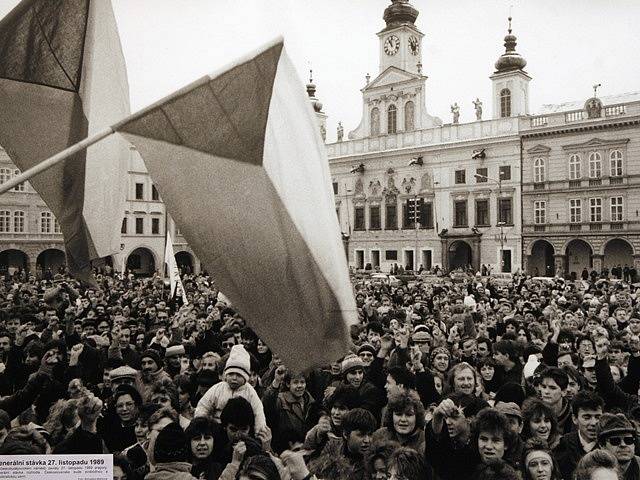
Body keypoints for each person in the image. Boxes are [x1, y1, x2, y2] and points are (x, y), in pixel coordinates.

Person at [195, 345, 267, 432]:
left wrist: (260, 431)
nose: (234, 378)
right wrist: (201, 423)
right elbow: (203, 405)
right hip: (217, 427)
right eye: (231, 374)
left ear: (245, 377)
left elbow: (258, 413)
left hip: (241, 428)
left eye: (239, 375)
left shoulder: (250, 392)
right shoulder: (218, 388)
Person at [308, 408, 376, 480]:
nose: (367, 440)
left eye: (370, 435)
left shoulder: (373, 459)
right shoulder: (331, 448)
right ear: (346, 434)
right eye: (361, 435)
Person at [553, 391, 605, 480]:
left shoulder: (610, 443)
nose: (593, 423)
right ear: (575, 419)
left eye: (598, 417)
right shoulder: (563, 445)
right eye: (587, 417)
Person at [597, 413, 640, 480]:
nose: (623, 444)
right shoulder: (593, 470)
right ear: (602, 445)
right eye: (615, 441)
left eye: (628, 440)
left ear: (634, 444)